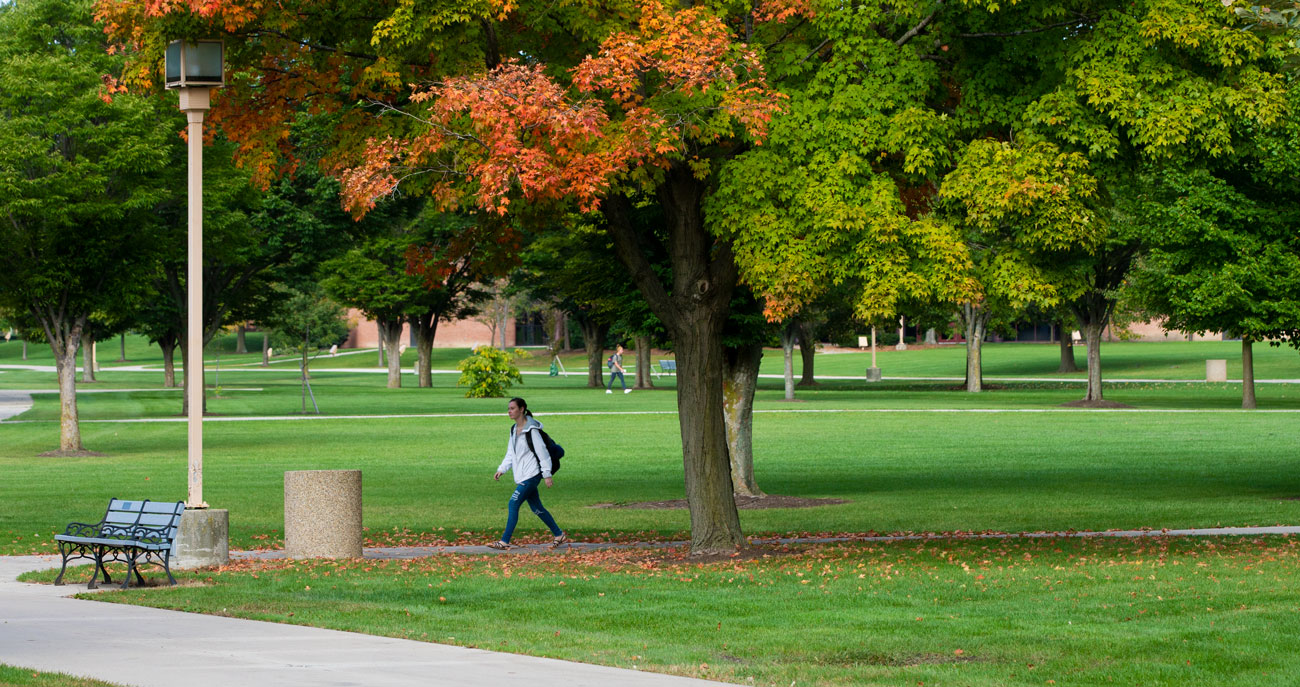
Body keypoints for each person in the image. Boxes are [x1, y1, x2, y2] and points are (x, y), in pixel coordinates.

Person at [488, 397, 568, 550]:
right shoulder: (513, 429)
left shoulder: (532, 430)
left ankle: (504, 541)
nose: (509, 411)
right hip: (523, 474)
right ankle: (559, 535)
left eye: (512, 408)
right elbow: (511, 453)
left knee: (513, 503)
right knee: (537, 508)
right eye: (508, 409)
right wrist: (502, 469)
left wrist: (547, 475)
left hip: (532, 475)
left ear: (522, 409)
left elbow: (542, 453)